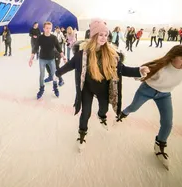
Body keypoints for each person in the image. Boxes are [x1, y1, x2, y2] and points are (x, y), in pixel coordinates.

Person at [55, 19, 149, 151]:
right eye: (100, 35)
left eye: (106, 35)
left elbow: (122, 69)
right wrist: (58, 73)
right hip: (87, 87)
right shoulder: (83, 54)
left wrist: (139, 71)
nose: (104, 38)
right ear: (93, 36)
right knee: (85, 111)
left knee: (104, 109)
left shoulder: (112, 54)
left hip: (103, 88)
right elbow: (70, 65)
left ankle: (101, 116)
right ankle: (82, 133)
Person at [116, 45, 182, 170]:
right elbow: (138, 76)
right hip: (146, 91)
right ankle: (124, 113)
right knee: (133, 107)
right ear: (172, 58)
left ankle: (159, 145)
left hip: (164, 95)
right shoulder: (160, 69)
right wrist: (140, 74)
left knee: (167, 123)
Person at [29, 22, 66, 99]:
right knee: (42, 75)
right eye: (47, 28)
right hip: (42, 59)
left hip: (51, 59)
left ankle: (55, 88)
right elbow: (35, 48)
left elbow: (59, 48)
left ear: (51, 28)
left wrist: (63, 57)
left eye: (49, 28)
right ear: (44, 29)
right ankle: (41, 89)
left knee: (54, 74)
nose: (48, 30)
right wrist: (31, 58)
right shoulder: (40, 37)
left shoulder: (53, 38)